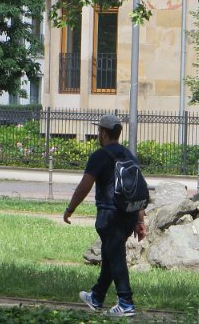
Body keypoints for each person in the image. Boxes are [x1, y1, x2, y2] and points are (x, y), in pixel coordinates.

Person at [64, 114, 147, 317]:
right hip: (128, 214)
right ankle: (97, 297)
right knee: (111, 255)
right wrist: (139, 219)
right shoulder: (129, 155)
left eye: (99, 131)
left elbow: (85, 185)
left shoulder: (100, 156)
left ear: (103, 133)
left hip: (109, 215)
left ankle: (126, 302)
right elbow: (136, 188)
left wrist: (70, 208)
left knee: (116, 257)